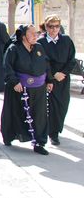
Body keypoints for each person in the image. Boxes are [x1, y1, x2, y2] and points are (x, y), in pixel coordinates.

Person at [1, 25, 53, 155]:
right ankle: (9, 136)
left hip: (39, 89)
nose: (35, 36)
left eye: (36, 33)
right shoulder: (14, 49)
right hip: (20, 88)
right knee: (16, 114)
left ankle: (39, 142)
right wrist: (14, 81)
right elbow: (7, 66)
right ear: (24, 36)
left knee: (39, 115)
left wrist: (49, 80)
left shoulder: (39, 48)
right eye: (32, 34)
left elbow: (46, 65)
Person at [37, 15, 75, 146]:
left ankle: (56, 128)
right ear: (46, 27)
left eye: (57, 26)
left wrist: (63, 73)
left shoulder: (66, 40)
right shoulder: (40, 43)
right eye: (51, 26)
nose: (54, 29)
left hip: (63, 77)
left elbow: (71, 59)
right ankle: (52, 134)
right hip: (49, 79)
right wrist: (51, 76)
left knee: (62, 105)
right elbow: (42, 61)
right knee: (51, 107)